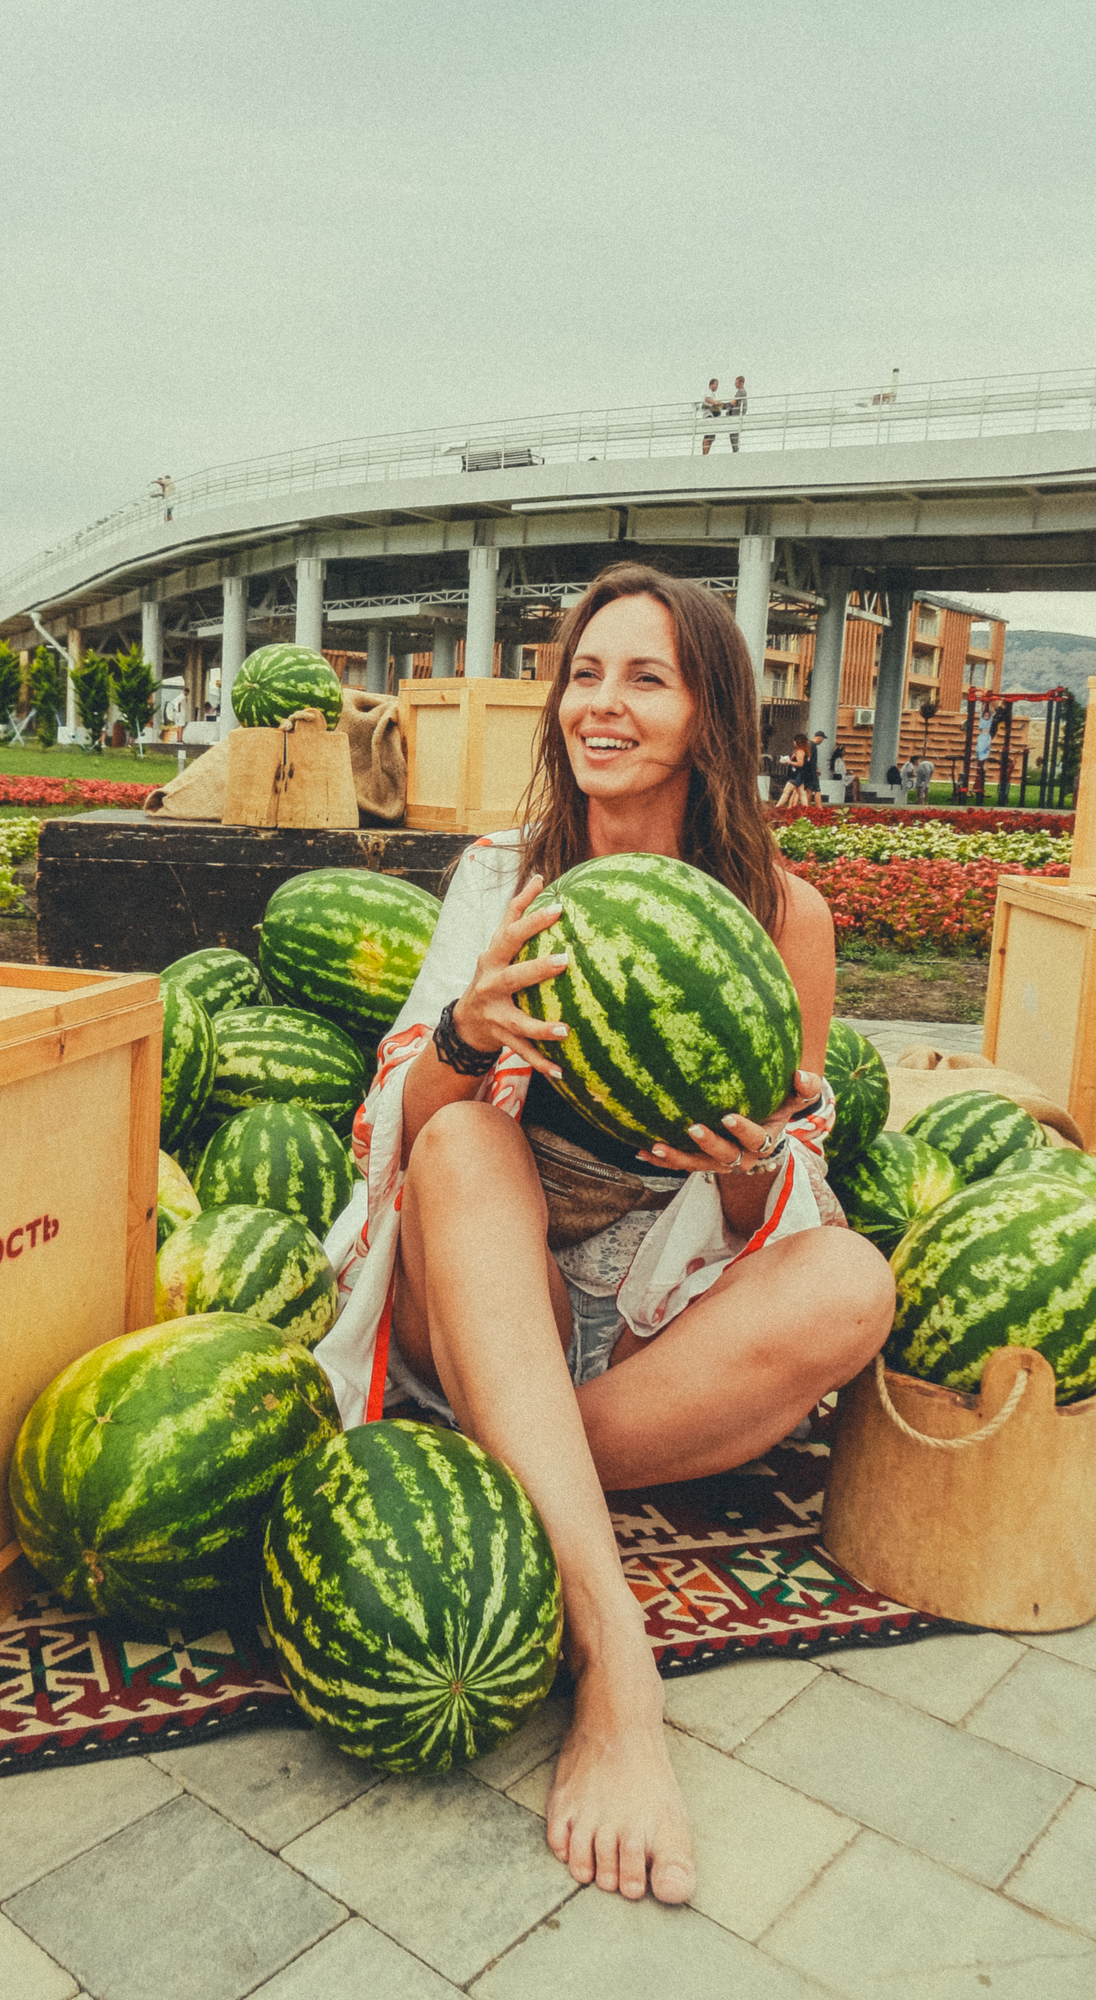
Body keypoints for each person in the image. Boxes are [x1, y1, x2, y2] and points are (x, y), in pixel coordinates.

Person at [316, 564, 893, 1904]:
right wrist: (466, 1037)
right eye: (584, 673)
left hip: (649, 1326)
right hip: (483, 1292)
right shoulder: (503, 880)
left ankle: (513, 1466)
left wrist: (750, 1168)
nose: (602, 705)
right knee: (464, 1138)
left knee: (854, 1283)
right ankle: (615, 1660)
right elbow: (399, 1133)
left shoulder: (783, 920)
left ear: (709, 716)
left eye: (645, 677)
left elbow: (773, 1191)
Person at [777, 732, 811, 807]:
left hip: (797, 775)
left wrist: (789, 762)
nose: (793, 742)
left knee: (786, 791)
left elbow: (800, 764)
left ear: (797, 742)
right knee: (802, 793)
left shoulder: (799, 752)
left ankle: (778, 807)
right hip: (800, 775)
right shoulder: (802, 751)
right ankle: (806, 809)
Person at [699, 378, 723, 455]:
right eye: (715, 384)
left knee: (711, 436)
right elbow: (707, 399)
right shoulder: (708, 392)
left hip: (712, 416)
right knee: (708, 434)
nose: (716, 386)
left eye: (717, 385)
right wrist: (715, 403)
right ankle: (705, 453)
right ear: (711, 385)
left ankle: (706, 453)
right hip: (708, 415)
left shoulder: (713, 394)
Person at [727, 374, 747, 452]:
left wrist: (725, 406)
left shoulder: (741, 391)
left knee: (733, 433)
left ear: (741, 383)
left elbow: (734, 402)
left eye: (736, 383)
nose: (735, 384)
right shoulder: (741, 391)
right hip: (735, 414)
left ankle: (735, 450)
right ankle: (735, 449)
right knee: (733, 433)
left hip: (736, 415)